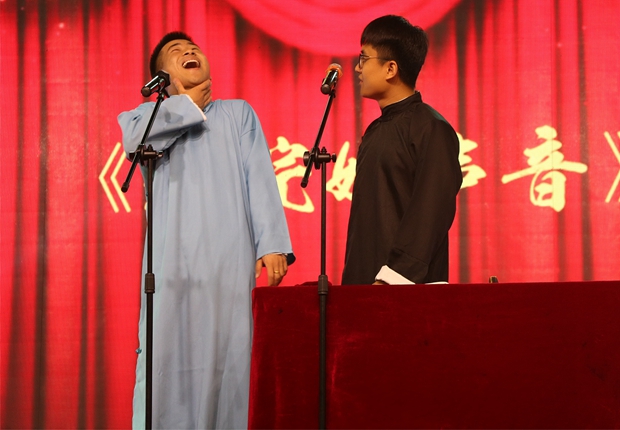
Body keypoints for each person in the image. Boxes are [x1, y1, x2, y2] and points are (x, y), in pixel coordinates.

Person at [118, 31, 294, 429]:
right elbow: (133, 142)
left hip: (228, 266)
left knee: (231, 362)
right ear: (161, 77)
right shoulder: (145, 118)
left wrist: (272, 243)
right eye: (176, 51)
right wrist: (185, 106)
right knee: (168, 361)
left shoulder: (237, 114)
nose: (189, 51)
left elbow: (259, 178)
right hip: (171, 271)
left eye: (193, 48)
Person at [342, 16, 462, 285]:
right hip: (365, 287)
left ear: (390, 68)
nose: (358, 68)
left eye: (364, 58)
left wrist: (394, 277)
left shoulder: (431, 128)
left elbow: (431, 212)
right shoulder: (375, 131)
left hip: (404, 289)